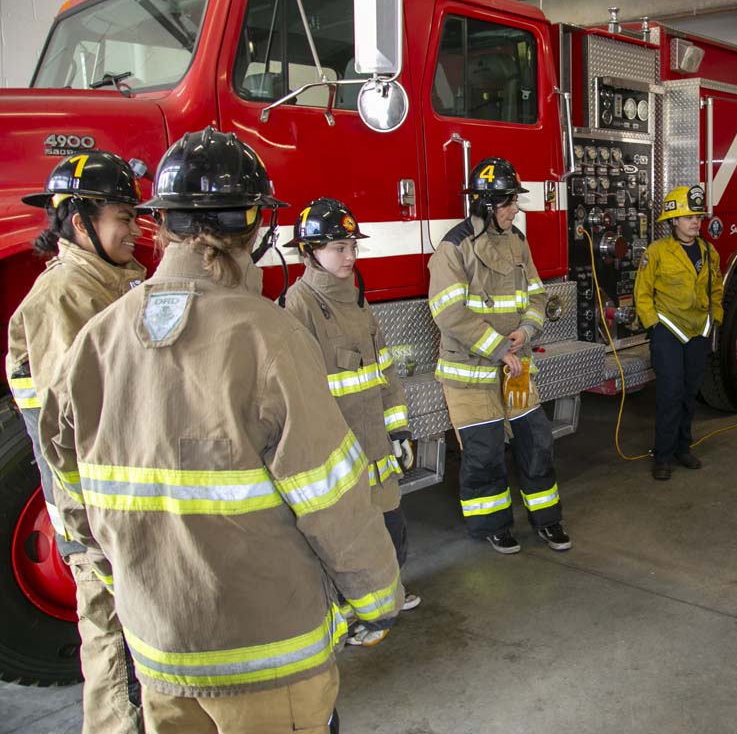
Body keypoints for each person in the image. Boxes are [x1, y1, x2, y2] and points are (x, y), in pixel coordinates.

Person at [39, 128, 400, 734]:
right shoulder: (271, 338)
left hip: (157, 656)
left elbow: (69, 492)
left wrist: (125, 580)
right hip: (268, 660)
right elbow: (330, 496)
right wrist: (376, 599)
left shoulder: (96, 341)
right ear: (255, 228)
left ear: (165, 223)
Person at [6, 150, 147, 733]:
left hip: (122, 493)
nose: (135, 229)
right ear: (76, 221)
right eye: (122, 216)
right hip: (91, 508)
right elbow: (66, 428)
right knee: (111, 643)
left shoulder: (116, 280)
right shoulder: (64, 297)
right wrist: (90, 522)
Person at [282, 196, 420, 646]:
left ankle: (384, 603)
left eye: (352, 246)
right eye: (337, 248)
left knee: (392, 532)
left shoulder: (358, 300)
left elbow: (384, 371)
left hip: (377, 449)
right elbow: (300, 395)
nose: (349, 256)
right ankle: (352, 617)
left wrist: (398, 427)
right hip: (338, 455)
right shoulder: (298, 306)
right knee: (344, 543)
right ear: (309, 252)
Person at [427, 156, 571, 554]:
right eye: (508, 202)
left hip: (515, 369)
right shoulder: (454, 248)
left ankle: (548, 519)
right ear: (487, 204)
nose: (515, 209)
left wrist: (526, 330)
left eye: (514, 202)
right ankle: (493, 524)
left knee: (537, 439)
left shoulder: (517, 241)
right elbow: (448, 312)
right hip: (469, 374)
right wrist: (498, 348)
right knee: (484, 452)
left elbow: (537, 294)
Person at [634, 185, 723, 481]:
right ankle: (662, 455)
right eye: (687, 217)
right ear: (673, 221)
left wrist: (716, 318)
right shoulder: (657, 252)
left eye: (697, 216)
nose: (695, 222)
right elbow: (642, 293)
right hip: (668, 332)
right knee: (670, 394)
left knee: (688, 393)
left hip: (698, 331)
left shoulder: (709, 252)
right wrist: (654, 326)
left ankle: (683, 448)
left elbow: (716, 290)